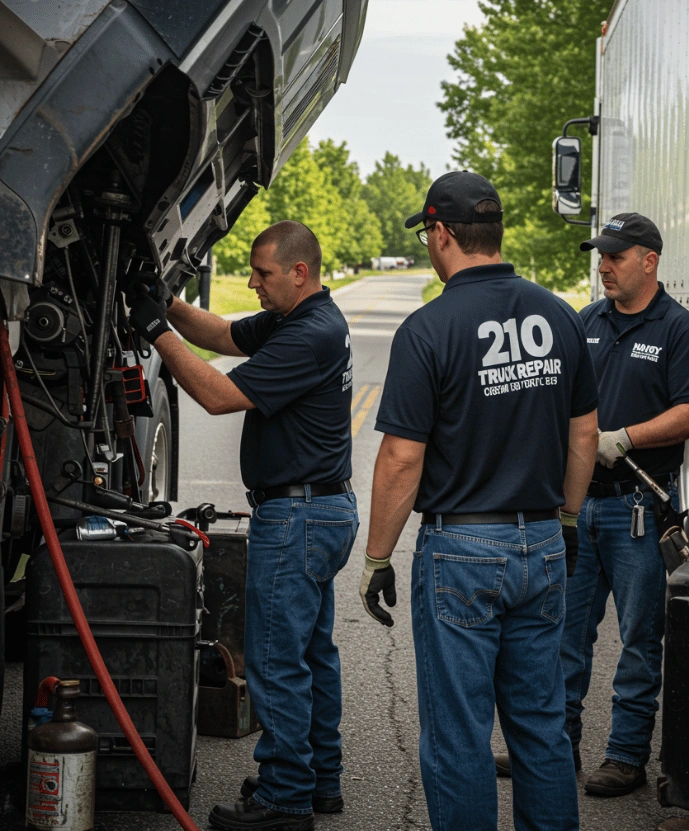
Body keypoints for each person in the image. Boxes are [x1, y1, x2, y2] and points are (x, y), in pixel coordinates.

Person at [358, 170, 599, 831]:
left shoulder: (429, 328)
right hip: (543, 544)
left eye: (428, 235)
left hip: (462, 552)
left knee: (459, 734)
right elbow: (584, 432)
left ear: (440, 234)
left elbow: (402, 457)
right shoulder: (557, 315)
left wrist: (377, 556)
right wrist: (569, 517)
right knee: (541, 728)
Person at [125, 221, 358, 831]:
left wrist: (152, 331)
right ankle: (319, 780)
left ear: (298, 273)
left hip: (299, 515)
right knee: (310, 652)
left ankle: (284, 798)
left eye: (262, 273)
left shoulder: (310, 334)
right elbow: (224, 336)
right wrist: (166, 303)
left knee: (278, 660)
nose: (252, 282)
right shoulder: (297, 317)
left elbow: (218, 395)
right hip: (318, 510)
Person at [562, 213, 689, 796]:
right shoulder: (585, 322)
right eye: (601, 256)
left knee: (640, 640)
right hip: (579, 505)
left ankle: (625, 758)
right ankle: (556, 747)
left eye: (615, 257)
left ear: (649, 261)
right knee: (563, 636)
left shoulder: (677, 328)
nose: (603, 267)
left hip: (637, 511)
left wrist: (625, 437)